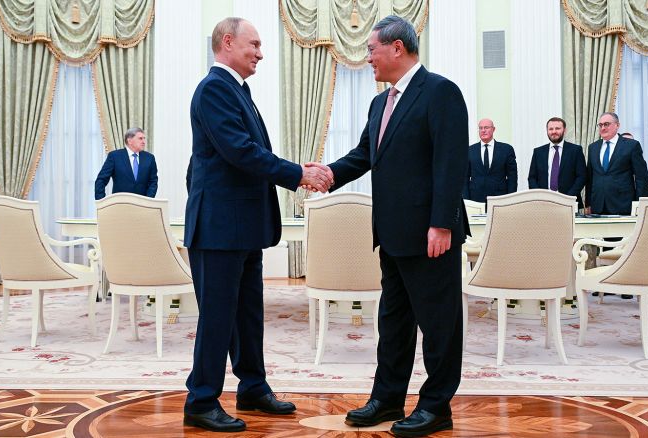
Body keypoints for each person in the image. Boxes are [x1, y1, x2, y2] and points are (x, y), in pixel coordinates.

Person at [306, 15, 468, 437]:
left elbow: (450, 165)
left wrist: (442, 224)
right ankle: (387, 398)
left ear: (397, 48)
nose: (368, 59)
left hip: (432, 235)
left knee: (438, 325)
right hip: (392, 234)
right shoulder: (381, 102)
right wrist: (327, 173)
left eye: (371, 50)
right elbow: (365, 154)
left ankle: (436, 406)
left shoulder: (441, 92)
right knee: (393, 322)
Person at [182, 17, 332, 433]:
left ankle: (252, 386)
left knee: (247, 313)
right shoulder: (214, 88)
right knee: (217, 316)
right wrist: (297, 173)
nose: (261, 53)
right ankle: (201, 399)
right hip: (218, 229)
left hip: (240, 226)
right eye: (255, 44)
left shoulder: (237, 92)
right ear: (227, 42)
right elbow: (240, 151)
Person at [585, 112, 648, 215]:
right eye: (600, 125)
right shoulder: (593, 147)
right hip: (598, 205)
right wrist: (588, 203)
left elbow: (641, 178)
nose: (603, 128)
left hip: (623, 205)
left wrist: (639, 204)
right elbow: (590, 178)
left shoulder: (631, 145)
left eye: (606, 124)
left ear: (617, 125)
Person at [527, 117, 587, 208]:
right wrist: (539, 197)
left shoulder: (575, 150)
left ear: (564, 130)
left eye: (557, 128)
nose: (554, 131)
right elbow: (532, 178)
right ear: (547, 131)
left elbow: (582, 177)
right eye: (551, 129)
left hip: (569, 203)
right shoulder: (538, 152)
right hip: (543, 204)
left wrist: (567, 198)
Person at [462, 119, 517, 203]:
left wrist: (510, 199)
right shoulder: (470, 150)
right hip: (475, 199)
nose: (483, 130)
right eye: (480, 128)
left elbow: (512, 177)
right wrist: (466, 200)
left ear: (493, 129)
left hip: (500, 198)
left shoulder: (506, 149)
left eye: (486, 127)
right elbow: (464, 177)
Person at [94, 128, 158, 200]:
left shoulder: (149, 158)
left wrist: (148, 200)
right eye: (140, 138)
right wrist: (102, 201)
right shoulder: (114, 156)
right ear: (129, 141)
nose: (144, 141)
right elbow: (101, 180)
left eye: (144, 138)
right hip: (120, 204)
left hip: (142, 205)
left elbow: (153, 182)